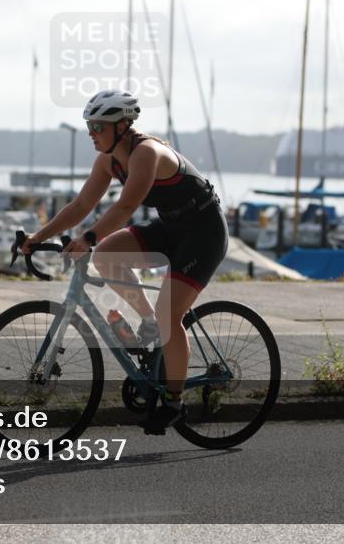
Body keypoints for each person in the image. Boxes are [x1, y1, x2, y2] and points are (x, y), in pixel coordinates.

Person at [22, 89, 229, 433]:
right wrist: (37, 237)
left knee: (169, 316)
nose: (91, 132)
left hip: (203, 233)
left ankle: (174, 403)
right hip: (172, 226)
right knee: (107, 255)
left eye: (98, 126)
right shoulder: (107, 158)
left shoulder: (146, 152)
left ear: (122, 125)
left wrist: (87, 238)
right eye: (89, 125)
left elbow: (125, 207)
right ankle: (148, 322)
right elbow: (80, 205)